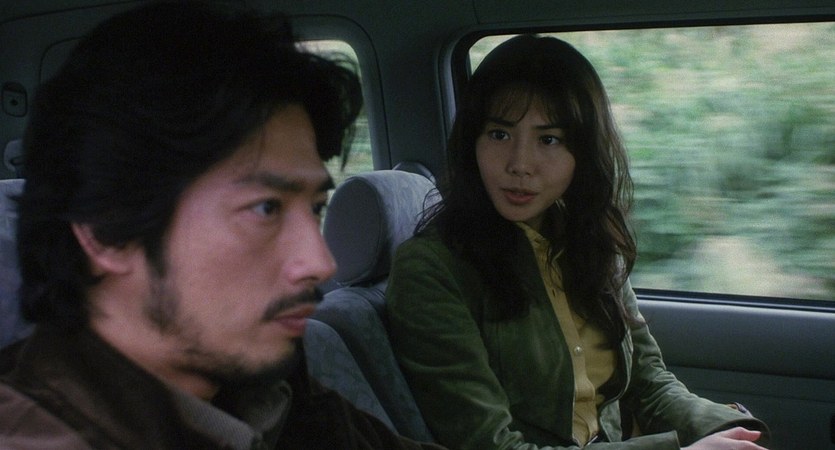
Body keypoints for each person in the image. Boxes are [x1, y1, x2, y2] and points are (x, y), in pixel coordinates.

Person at [0, 2, 445, 449]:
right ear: (106, 231)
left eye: (315, 208)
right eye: (265, 208)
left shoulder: (264, 393)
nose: (321, 263)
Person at [386, 34, 769, 450]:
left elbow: (648, 382)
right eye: (499, 134)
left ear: (582, 153)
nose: (520, 164)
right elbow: (490, 445)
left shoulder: (590, 242)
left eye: (548, 139)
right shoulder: (431, 269)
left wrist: (729, 429)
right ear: (471, 142)